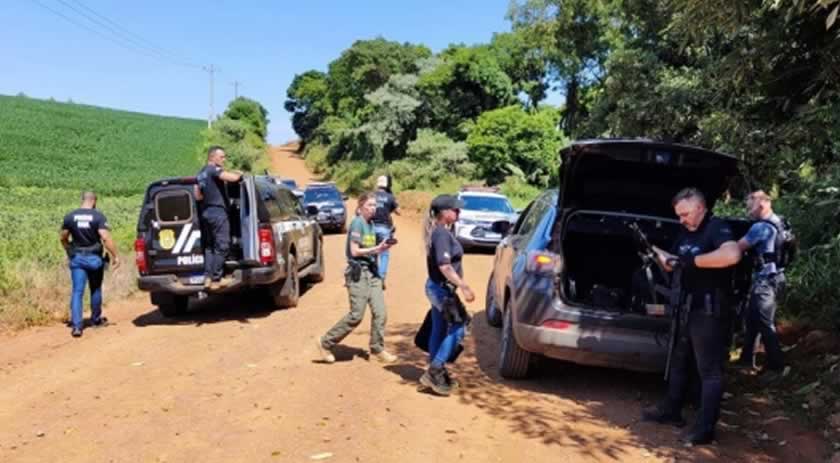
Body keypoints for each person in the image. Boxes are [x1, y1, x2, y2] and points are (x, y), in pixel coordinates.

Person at [642, 188, 743, 445]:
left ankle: (704, 430)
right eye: (679, 215)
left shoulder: (716, 227)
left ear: (700, 207)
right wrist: (664, 258)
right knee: (679, 359)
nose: (682, 220)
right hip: (687, 307)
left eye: (685, 214)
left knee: (709, 371)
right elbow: (678, 260)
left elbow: (732, 255)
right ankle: (671, 410)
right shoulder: (687, 231)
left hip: (710, 311)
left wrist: (691, 261)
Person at [316, 192, 397, 364]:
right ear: (360, 208)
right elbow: (354, 251)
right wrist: (375, 250)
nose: (373, 208)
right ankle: (325, 342)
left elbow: (373, 248)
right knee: (356, 315)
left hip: (372, 273)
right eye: (369, 205)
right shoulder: (357, 224)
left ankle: (377, 348)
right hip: (358, 273)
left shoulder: (372, 224)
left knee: (380, 313)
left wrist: (383, 246)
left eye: (375, 205)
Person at [420, 194, 476, 396]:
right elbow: (444, 266)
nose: (458, 212)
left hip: (436, 287)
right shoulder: (441, 234)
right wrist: (464, 286)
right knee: (459, 326)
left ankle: (435, 369)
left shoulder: (440, 231)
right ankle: (435, 369)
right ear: (444, 213)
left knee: (439, 327)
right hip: (441, 289)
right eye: (455, 209)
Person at [735, 190, 786, 377]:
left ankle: (776, 366)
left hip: (766, 281)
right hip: (777, 278)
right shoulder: (780, 222)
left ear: (762, 204)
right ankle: (746, 359)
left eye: (750, 207)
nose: (748, 211)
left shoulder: (760, 228)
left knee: (765, 324)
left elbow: (737, 248)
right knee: (752, 320)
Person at [60, 191, 120, 338]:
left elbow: (63, 237)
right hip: (94, 259)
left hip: (77, 258)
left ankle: (77, 327)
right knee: (95, 289)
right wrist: (115, 256)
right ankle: (95, 320)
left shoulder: (70, 216)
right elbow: (105, 237)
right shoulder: (98, 216)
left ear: (83, 200)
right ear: (94, 201)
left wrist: (69, 249)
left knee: (77, 291)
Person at [195, 146, 242, 289]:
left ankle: (208, 278)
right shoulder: (212, 170)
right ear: (212, 157)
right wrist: (239, 174)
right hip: (217, 213)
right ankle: (217, 278)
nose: (224, 159)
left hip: (206, 213)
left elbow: (197, 195)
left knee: (210, 247)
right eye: (221, 157)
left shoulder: (200, 173)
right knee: (223, 244)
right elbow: (232, 178)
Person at [372, 175, 399, 286]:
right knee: (384, 254)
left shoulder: (371, 196)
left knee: (372, 252)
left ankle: (372, 275)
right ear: (387, 185)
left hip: (371, 228)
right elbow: (398, 211)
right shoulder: (390, 197)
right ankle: (381, 277)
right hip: (385, 229)